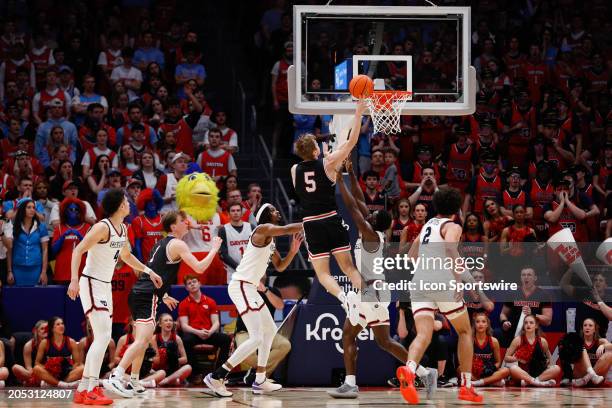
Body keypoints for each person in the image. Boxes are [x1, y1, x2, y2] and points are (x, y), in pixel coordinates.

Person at [329, 161, 437, 399]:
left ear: (376, 223)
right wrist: (351, 173)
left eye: (373, 214)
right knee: (384, 341)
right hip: (375, 291)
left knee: (350, 334)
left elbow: (351, 206)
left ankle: (350, 384)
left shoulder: (370, 235)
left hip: (370, 291)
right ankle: (423, 372)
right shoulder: (373, 230)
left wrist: (339, 180)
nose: (370, 211)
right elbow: (359, 200)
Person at [104, 210, 222, 398]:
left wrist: (164, 294)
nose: (187, 223)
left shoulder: (161, 244)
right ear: (173, 226)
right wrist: (214, 248)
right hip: (147, 294)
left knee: (142, 341)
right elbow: (199, 267)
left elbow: (156, 270)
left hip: (141, 292)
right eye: (182, 221)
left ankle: (134, 380)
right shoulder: (178, 244)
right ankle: (117, 376)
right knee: (142, 340)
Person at [67, 188, 163, 405]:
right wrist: (74, 280)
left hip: (104, 285)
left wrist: (149, 271)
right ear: (120, 205)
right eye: (127, 202)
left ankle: (84, 389)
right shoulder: (102, 227)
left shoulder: (123, 229)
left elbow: (127, 256)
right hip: (90, 282)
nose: (129, 204)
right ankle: (91, 388)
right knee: (101, 337)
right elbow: (78, 250)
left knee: (104, 337)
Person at [204, 204, 302, 397]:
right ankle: (217, 376)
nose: (277, 212)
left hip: (250, 288)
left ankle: (260, 379)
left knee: (269, 332)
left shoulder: (270, 239)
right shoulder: (262, 229)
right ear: (266, 215)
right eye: (274, 210)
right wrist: (312, 221)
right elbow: (287, 229)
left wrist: (293, 251)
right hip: (241, 285)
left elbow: (280, 267)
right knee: (256, 337)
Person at [398, 187, 485, 403]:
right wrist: (458, 282)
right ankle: (466, 387)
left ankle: (409, 371)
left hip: (418, 283)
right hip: (442, 281)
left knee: (423, 336)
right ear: (457, 208)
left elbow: (410, 255)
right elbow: (451, 250)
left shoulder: (427, 225)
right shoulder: (452, 226)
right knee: (465, 331)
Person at [291, 101, 367, 325]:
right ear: (316, 150)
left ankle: (344, 298)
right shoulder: (329, 163)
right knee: (348, 267)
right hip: (332, 220)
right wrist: (359, 113)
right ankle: (368, 302)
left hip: (311, 224)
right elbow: (351, 143)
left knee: (323, 275)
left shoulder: (294, 170)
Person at [236, 276, 292, 386]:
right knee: (247, 354)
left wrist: (265, 291)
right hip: (245, 331)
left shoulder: (273, 290)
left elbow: (280, 306)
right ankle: (260, 375)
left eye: (264, 271)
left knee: (285, 345)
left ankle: (258, 375)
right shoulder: (244, 289)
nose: (261, 274)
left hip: (266, 332)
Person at [178, 275, 232, 375]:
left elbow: (216, 322)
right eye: (189, 283)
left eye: (194, 281)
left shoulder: (210, 301)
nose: (192, 284)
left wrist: (210, 332)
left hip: (208, 333)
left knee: (226, 339)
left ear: (199, 283)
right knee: (185, 340)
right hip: (194, 333)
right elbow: (184, 326)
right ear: (186, 288)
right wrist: (198, 332)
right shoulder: (183, 304)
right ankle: (195, 374)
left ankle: (219, 372)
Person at [498, 266, 552, 347]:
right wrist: (504, 322)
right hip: (512, 333)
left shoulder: (543, 295)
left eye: (529, 275)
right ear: (520, 278)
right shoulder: (512, 293)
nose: (526, 277)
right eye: (523, 275)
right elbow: (503, 314)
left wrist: (533, 314)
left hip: (533, 333)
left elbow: (548, 320)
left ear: (535, 278)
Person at [505, 314, 561, 386]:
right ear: (523, 325)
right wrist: (517, 358)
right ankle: (538, 382)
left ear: (536, 326)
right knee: (513, 368)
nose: (528, 325)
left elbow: (550, 359)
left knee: (557, 368)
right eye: (526, 323)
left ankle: (533, 381)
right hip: (524, 372)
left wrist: (549, 364)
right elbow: (506, 358)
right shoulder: (518, 340)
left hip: (540, 372)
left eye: (531, 323)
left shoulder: (542, 341)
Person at [5, 198, 49, 286]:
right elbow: (9, 251)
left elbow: (45, 250)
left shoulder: (41, 227)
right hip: (17, 268)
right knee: (18, 297)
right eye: (28, 207)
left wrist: (44, 272)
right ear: (22, 209)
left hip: (36, 268)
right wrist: (9, 271)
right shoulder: (13, 227)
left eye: (33, 207)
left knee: (35, 297)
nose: (32, 210)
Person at [32, 316, 83, 388]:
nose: (61, 326)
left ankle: (53, 383)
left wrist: (70, 369)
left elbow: (77, 362)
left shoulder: (71, 341)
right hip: (50, 373)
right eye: (58, 324)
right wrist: (48, 369)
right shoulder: (45, 342)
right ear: (52, 328)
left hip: (67, 373)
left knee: (82, 368)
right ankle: (65, 384)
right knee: (36, 369)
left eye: (62, 323)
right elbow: (37, 362)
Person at [470, 313, 509, 387]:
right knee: (460, 369)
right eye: (477, 322)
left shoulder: (494, 341)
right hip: (474, 372)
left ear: (487, 325)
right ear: (474, 325)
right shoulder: (471, 341)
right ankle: (489, 382)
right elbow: (466, 361)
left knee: (506, 370)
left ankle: (479, 382)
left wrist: (491, 368)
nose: (480, 324)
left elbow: (498, 362)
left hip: (489, 372)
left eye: (483, 322)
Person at [154, 314, 192, 387]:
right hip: (159, 370)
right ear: (160, 324)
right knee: (174, 380)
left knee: (188, 367)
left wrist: (173, 360)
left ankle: (165, 381)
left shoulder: (177, 338)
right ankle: (170, 381)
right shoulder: (154, 338)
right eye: (166, 320)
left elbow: (185, 359)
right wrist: (163, 358)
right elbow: (154, 359)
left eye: (170, 320)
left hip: (173, 370)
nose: (169, 322)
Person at [217, 203, 252, 282]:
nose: (235, 213)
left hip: (250, 270)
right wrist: (239, 268)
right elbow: (223, 254)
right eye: (233, 211)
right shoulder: (223, 230)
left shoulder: (251, 227)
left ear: (241, 213)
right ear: (228, 214)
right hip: (232, 272)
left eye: (238, 210)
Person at [12, 320, 47, 386]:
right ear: (36, 331)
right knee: (15, 368)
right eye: (42, 329)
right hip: (33, 372)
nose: (45, 330)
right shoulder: (29, 345)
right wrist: (35, 374)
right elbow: (28, 367)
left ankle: (39, 382)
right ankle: (40, 382)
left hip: (48, 371)